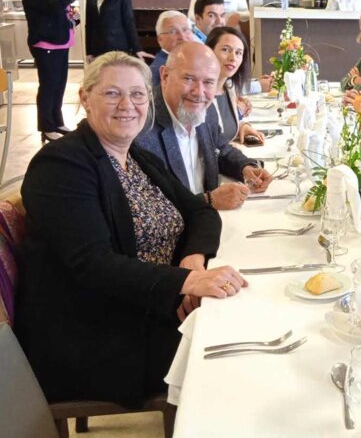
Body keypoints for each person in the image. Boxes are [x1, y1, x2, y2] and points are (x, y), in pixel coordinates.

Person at [16, 52, 248, 408]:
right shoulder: (61, 164)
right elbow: (93, 264)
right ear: (85, 98)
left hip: (148, 306)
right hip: (96, 334)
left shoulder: (136, 156)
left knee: (240, 313)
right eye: (112, 94)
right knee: (230, 355)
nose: (128, 105)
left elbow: (201, 211)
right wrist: (183, 284)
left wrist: (192, 262)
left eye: (138, 94)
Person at [135, 41, 272, 210]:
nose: (199, 92)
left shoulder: (206, 110)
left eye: (208, 82)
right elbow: (146, 210)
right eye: (189, 78)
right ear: (164, 76)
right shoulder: (141, 128)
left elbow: (221, 150)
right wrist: (207, 201)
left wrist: (245, 167)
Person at [21, 0, 81, 142]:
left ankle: (57, 121)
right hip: (46, 43)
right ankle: (46, 127)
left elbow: (60, 9)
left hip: (60, 42)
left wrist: (72, 18)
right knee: (48, 85)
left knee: (59, 84)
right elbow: (53, 8)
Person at [205, 26, 263, 144]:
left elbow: (222, 128)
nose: (233, 58)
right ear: (209, 51)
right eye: (225, 50)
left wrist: (241, 127)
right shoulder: (200, 94)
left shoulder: (229, 88)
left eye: (238, 53)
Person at [150, 11, 196, 86]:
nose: (182, 37)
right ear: (160, 39)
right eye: (173, 32)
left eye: (185, 30)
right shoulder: (159, 69)